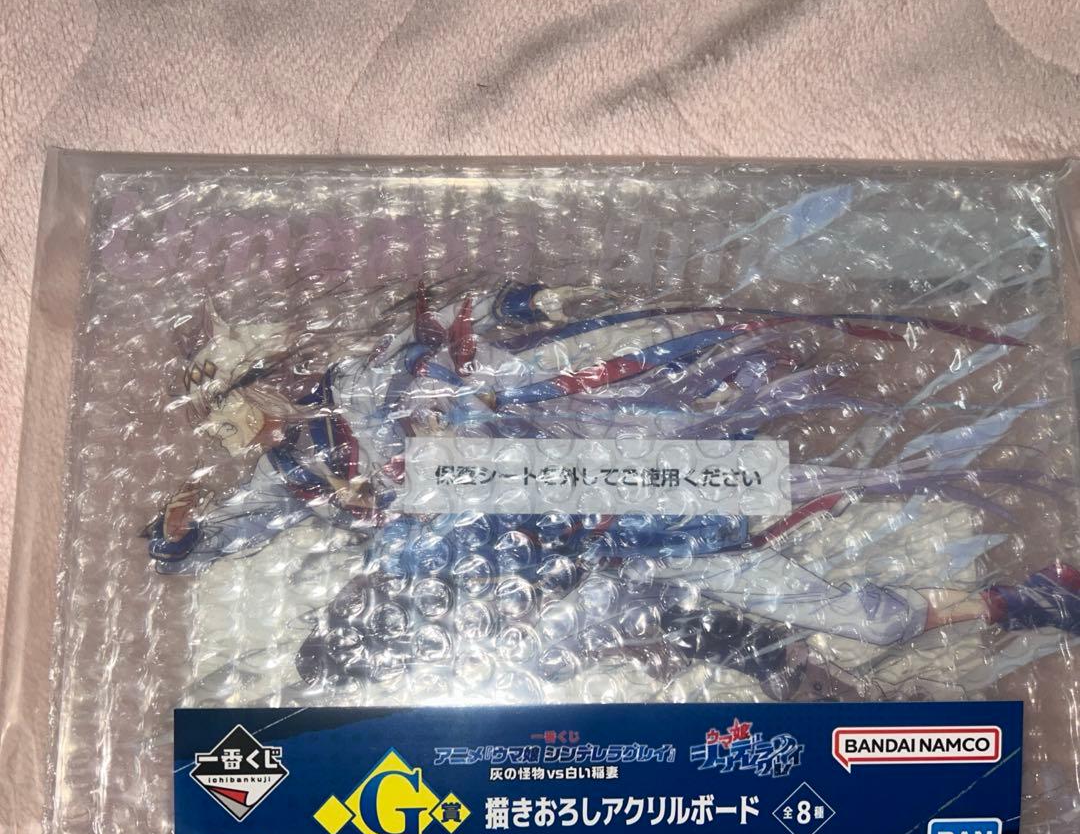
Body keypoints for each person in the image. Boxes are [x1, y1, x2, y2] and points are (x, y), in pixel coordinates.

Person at [145, 281, 1080, 695]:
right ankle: (1020, 598)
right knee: (855, 615)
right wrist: (178, 530)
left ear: (263, 380)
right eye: (224, 415)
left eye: (235, 401)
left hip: (602, 475)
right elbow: (209, 541)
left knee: (806, 473)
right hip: (591, 554)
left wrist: (523, 315)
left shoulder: (365, 384)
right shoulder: (291, 475)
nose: (234, 426)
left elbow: (468, 341)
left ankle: (984, 469)